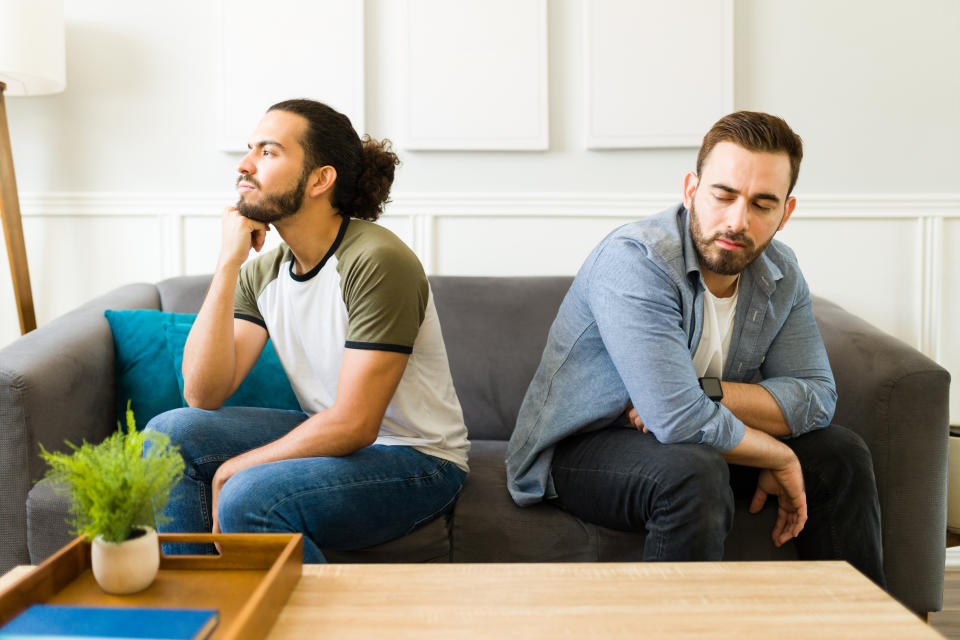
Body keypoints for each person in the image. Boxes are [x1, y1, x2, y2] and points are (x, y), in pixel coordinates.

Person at [505, 111, 884, 585]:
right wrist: (777, 455)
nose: (737, 220)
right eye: (723, 195)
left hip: (700, 431)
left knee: (841, 453)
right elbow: (675, 418)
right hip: (586, 446)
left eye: (762, 204)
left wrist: (702, 390)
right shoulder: (636, 260)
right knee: (693, 471)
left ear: (785, 213)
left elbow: (816, 397)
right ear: (691, 190)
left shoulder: (780, 272)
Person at [146, 99, 470, 562]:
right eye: (249, 149)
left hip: (417, 458)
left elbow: (356, 424)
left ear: (320, 179)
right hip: (331, 436)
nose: (244, 165)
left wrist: (232, 470)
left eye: (269, 152)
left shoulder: (375, 260)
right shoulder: (262, 273)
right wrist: (227, 264)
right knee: (169, 434)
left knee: (248, 494)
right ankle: (201, 613)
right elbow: (203, 393)